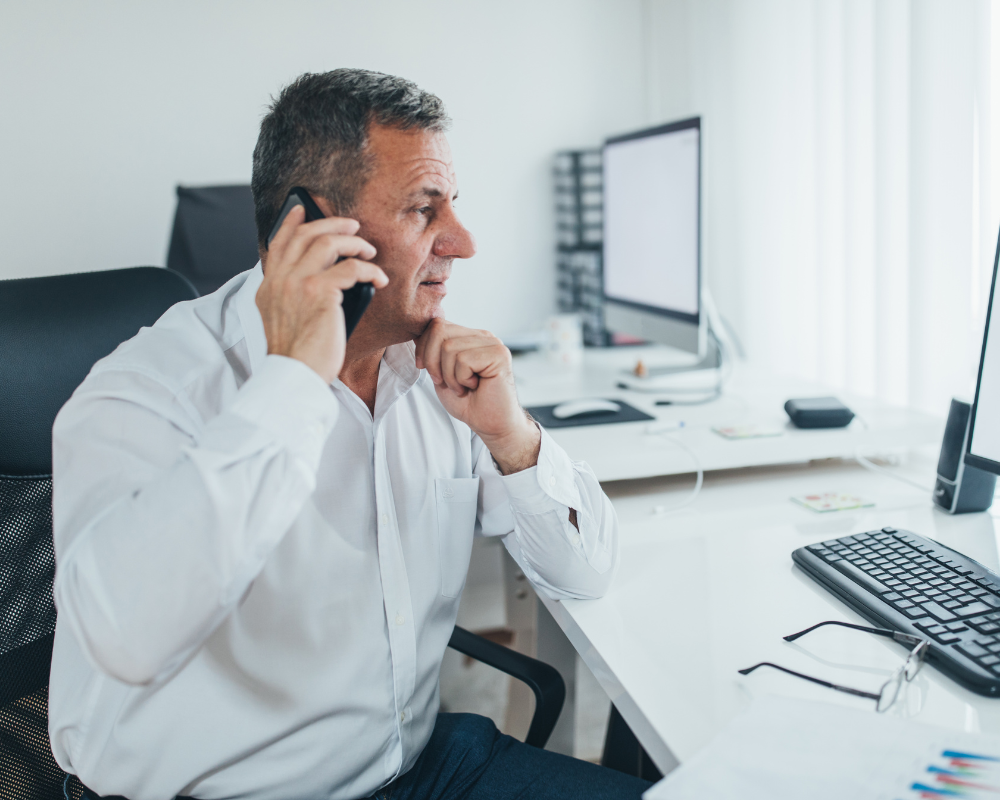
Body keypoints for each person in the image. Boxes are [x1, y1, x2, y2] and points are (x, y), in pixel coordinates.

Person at [49, 69, 647, 800]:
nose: (463, 242)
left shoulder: (433, 370)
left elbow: (585, 573)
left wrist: (512, 438)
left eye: (453, 205)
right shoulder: (148, 389)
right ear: (312, 232)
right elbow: (123, 637)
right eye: (425, 211)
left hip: (419, 767)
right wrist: (294, 381)